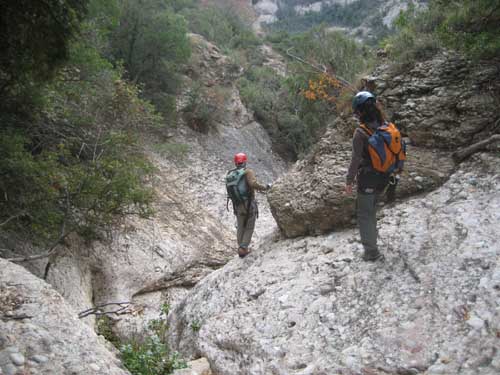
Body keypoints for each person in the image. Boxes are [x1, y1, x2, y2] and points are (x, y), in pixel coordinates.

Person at [345, 91, 392, 262]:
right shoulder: (385, 125)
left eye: (356, 111)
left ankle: (371, 251)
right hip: (385, 176)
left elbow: (356, 159)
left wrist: (349, 180)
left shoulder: (361, 132)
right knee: (372, 208)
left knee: (365, 213)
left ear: (360, 112)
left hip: (368, 178)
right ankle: (372, 239)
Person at [226, 152, 270, 258]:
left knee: (241, 226)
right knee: (249, 226)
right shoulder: (247, 171)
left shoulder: (230, 174)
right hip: (248, 203)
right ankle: (243, 248)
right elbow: (253, 184)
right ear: (245, 161)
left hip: (237, 204)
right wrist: (265, 187)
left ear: (236, 162)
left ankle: (240, 246)